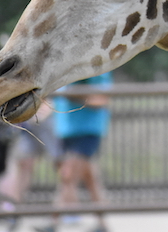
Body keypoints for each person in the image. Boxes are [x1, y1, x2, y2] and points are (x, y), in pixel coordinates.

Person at [35, 72, 112, 232]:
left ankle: (53, 222)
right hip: (67, 131)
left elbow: (102, 100)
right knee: (91, 180)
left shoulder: (97, 70)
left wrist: (74, 95)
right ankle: (103, 224)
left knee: (67, 176)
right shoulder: (67, 69)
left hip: (87, 130)